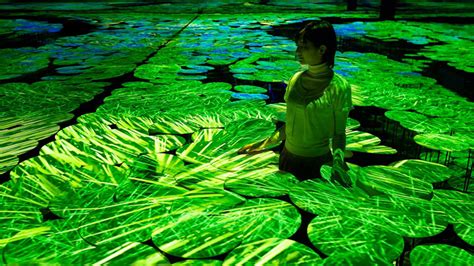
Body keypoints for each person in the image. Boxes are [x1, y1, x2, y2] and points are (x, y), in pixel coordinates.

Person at [239, 20, 353, 187]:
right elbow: (291, 124)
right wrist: (262, 144)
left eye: (304, 47)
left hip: (318, 164)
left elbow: (339, 134)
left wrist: (337, 163)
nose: (298, 52)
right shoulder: (295, 79)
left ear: (322, 49)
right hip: (287, 158)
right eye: (298, 46)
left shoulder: (339, 86)